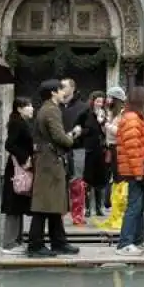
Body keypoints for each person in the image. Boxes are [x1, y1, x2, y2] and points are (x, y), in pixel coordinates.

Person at [28, 79, 81, 258]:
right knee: (44, 204)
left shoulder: (47, 108)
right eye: (60, 89)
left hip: (49, 160)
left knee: (53, 203)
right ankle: (36, 245)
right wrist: (71, 136)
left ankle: (58, 241)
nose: (63, 92)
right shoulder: (51, 110)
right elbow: (59, 137)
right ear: (52, 93)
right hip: (49, 162)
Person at [115, 86, 144, 257]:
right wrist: (138, 172)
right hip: (133, 170)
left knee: (139, 206)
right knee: (134, 206)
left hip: (137, 168)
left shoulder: (137, 117)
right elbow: (133, 149)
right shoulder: (132, 119)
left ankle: (138, 239)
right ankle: (125, 243)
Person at [0, 97, 34, 255]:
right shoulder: (17, 123)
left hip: (19, 168)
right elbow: (9, 144)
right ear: (19, 108)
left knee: (18, 204)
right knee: (13, 206)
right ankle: (9, 243)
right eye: (28, 106)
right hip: (16, 169)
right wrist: (24, 158)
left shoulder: (22, 122)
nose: (31, 108)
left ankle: (17, 240)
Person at [93, 86, 127, 230]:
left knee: (120, 181)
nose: (107, 100)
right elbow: (108, 132)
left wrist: (105, 124)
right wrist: (103, 122)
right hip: (111, 149)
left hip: (119, 149)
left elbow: (119, 132)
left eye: (110, 97)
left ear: (116, 99)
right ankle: (114, 214)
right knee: (114, 181)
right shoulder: (113, 113)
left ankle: (119, 216)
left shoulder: (123, 114)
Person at [75, 91, 107, 219]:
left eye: (101, 101)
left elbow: (106, 131)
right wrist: (84, 132)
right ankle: (87, 208)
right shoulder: (85, 114)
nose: (99, 103)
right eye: (97, 101)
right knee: (88, 179)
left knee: (99, 179)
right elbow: (77, 128)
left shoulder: (104, 114)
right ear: (92, 101)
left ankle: (99, 207)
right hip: (88, 150)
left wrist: (102, 121)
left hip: (101, 150)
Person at [61, 78, 86, 224]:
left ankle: (77, 215)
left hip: (78, 148)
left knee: (77, 182)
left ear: (72, 88)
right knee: (60, 182)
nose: (61, 88)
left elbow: (90, 128)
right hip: (60, 148)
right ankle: (59, 214)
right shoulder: (56, 106)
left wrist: (81, 131)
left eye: (64, 86)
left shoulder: (83, 107)